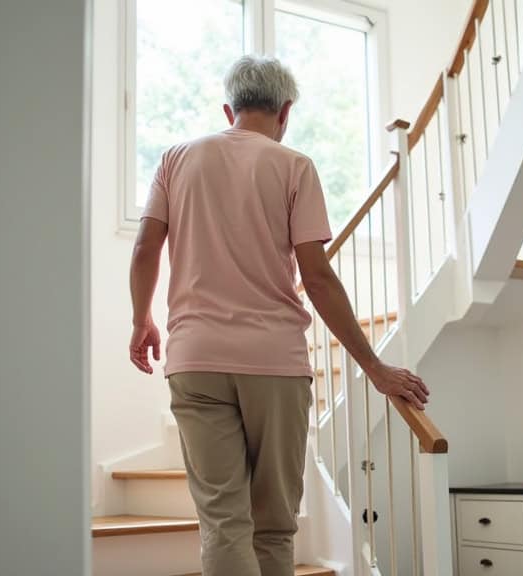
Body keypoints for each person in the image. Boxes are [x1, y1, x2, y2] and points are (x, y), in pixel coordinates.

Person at [127, 55, 430, 576]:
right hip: (276, 364)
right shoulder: (294, 166)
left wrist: (142, 320)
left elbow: (144, 248)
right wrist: (375, 368)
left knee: (223, 522)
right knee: (273, 523)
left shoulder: (175, 158)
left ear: (230, 110)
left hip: (195, 359)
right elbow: (317, 277)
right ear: (285, 111)